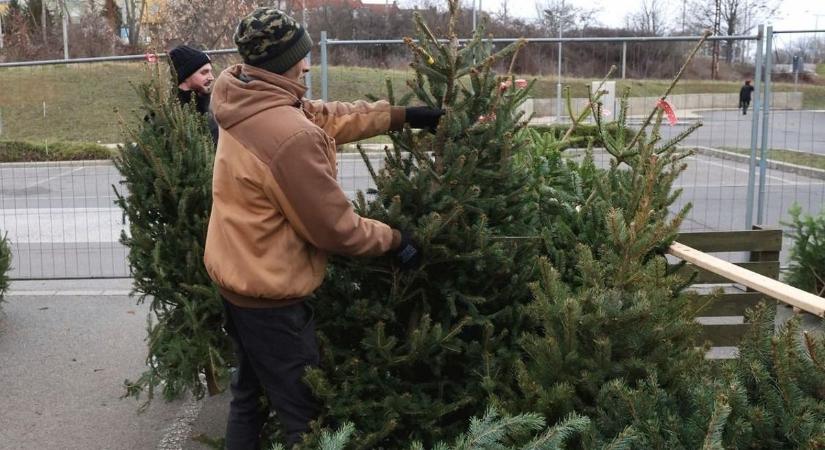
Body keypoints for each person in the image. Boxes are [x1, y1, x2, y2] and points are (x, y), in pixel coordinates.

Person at [203, 7, 443, 449]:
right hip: (272, 300)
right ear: (282, 62)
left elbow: (326, 116)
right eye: (301, 57)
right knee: (304, 419)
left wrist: (402, 115)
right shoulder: (289, 136)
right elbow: (337, 229)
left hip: (238, 277)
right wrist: (396, 241)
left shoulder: (244, 96)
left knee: (248, 398)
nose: (307, 66)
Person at [168, 44, 219, 143]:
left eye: (210, 72)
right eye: (204, 72)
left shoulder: (211, 109)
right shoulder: (169, 116)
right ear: (185, 77)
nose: (211, 77)